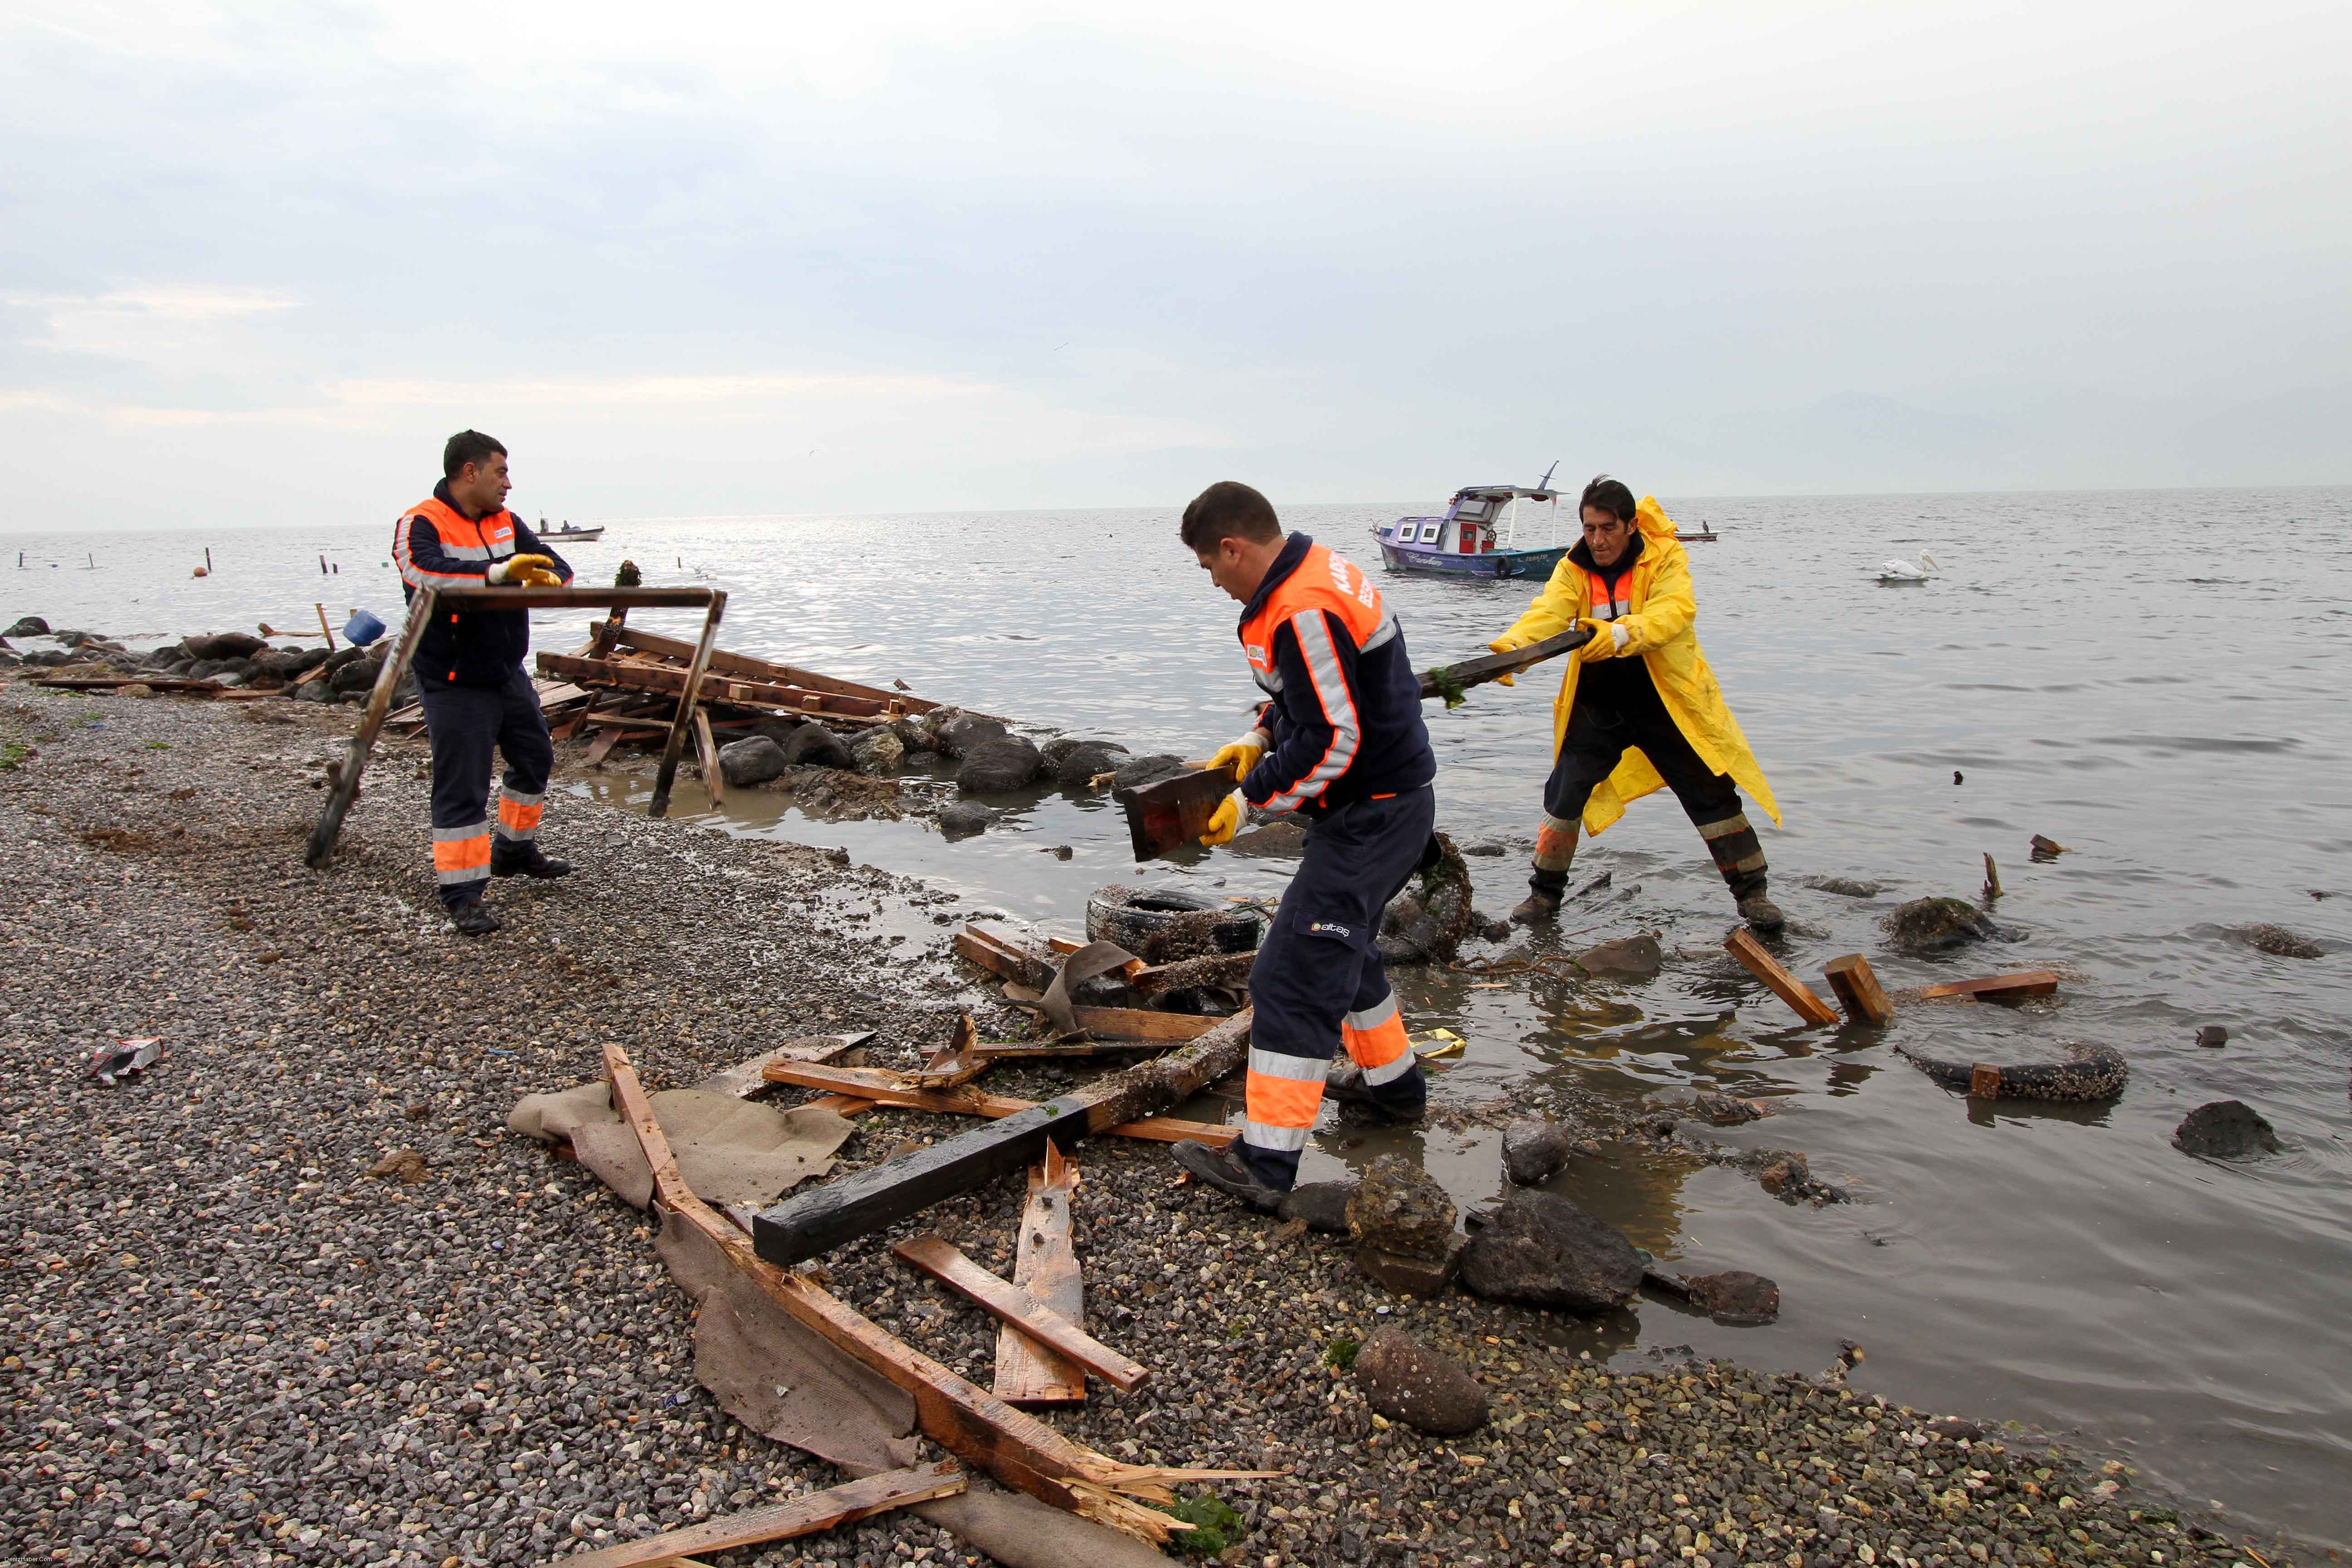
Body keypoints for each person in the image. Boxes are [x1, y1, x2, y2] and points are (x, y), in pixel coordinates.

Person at [1168, 481, 1439, 1211]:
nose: (1215, 584)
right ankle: (1395, 1090)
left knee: (1291, 973)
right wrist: (1256, 739)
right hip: (1385, 807)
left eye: (1211, 568)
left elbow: (1335, 737)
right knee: (1344, 949)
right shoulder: (1311, 571)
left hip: (1375, 814)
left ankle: (1266, 1161)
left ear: (1234, 547)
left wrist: (1249, 802)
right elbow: (1305, 698)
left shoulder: (1304, 605)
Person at [1487, 474, 1784, 930]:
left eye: (1607, 529)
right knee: (1564, 793)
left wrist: (1621, 633)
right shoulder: (1573, 567)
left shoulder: (1664, 558)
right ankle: (1544, 897)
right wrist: (1512, 650)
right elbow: (1548, 612)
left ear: (1629, 526)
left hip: (1661, 698)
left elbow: (1674, 612)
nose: (1598, 540)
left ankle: (1754, 896)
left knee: (1711, 792)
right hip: (1598, 702)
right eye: (1589, 529)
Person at [392, 430, 577, 936]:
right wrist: (499, 574)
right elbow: (426, 574)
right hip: (453, 679)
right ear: (469, 472)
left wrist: (548, 580)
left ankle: (513, 852)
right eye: (501, 472)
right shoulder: (421, 522)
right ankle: (463, 893)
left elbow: (558, 566)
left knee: (536, 757)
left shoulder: (505, 522)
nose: (509, 484)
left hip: (505, 671)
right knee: (463, 786)